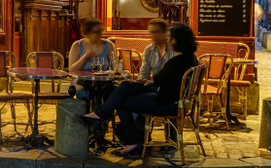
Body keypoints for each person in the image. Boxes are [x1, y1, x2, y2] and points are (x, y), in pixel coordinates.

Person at [80, 24, 200, 158]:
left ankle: (129, 140)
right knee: (125, 86)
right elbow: (167, 79)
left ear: (176, 41)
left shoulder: (178, 61)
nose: (168, 40)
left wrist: (155, 81)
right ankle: (102, 116)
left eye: (170, 38)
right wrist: (152, 82)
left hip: (167, 103)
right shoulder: (191, 59)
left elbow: (160, 77)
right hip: (172, 98)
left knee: (121, 101)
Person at [68, 17, 114, 102]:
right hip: (82, 80)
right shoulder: (77, 45)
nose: (100, 34)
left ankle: (103, 114)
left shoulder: (109, 45)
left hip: (103, 81)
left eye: (101, 31)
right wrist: (84, 57)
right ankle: (84, 114)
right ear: (88, 33)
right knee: (82, 93)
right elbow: (71, 69)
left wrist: (101, 78)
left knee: (111, 93)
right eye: (96, 32)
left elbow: (113, 69)